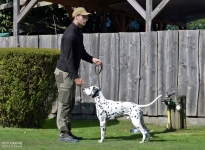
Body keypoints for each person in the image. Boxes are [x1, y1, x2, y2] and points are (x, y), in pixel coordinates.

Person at [54, 7, 102, 143]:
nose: (86, 19)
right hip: (64, 73)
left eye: (87, 17)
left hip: (69, 72)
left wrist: (92, 59)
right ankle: (63, 134)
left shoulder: (78, 33)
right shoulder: (69, 35)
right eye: (84, 17)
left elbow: (81, 53)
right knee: (64, 104)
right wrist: (76, 77)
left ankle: (67, 132)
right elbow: (68, 58)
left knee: (69, 103)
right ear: (76, 17)